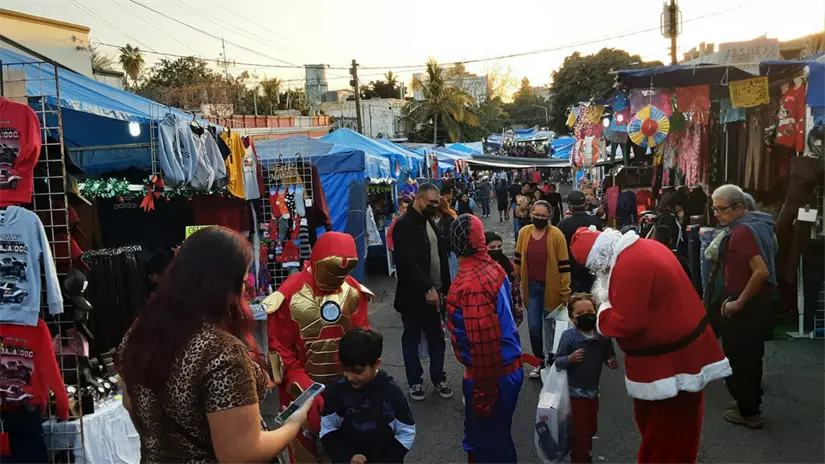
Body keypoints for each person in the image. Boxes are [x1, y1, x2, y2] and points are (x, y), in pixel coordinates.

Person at [118, 227, 309, 463]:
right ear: (223, 286)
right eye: (241, 282)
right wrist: (293, 424)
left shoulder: (139, 333)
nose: (244, 290)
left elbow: (130, 402)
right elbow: (241, 454)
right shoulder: (220, 351)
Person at [569, 227, 731, 464]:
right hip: (679, 352)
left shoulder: (629, 265)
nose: (600, 272)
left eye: (597, 267)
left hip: (669, 361)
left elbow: (627, 322)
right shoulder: (645, 247)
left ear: (600, 257)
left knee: (664, 433)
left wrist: (603, 312)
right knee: (676, 427)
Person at [265, 232, 374, 463]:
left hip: (348, 390)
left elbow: (363, 339)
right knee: (305, 453)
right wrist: (305, 390)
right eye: (333, 270)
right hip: (302, 392)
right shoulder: (288, 294)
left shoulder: (354, 291)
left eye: (345, 272)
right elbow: (279, 351)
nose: (339, 278)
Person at [446, 215, 524, 464]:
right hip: (504, 369)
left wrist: (483, 394)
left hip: (492, 375)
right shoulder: (491, 266)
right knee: (493, 440)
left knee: (492, 448)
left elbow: (484, 346)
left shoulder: (471, 283)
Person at [706, 184, 776, 430]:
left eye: (721, 209)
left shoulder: (742, 231)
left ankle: (749, 411)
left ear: (739, 208)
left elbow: (761, 271)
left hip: (748, 301)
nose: (716, 214)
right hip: (761, 301)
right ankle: (749, 402)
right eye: (714, 208)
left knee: (740, 357)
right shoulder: (763, 224)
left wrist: (738, 302)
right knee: (751, 355)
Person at [392, 183, 454, 401]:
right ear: (418, 198)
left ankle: (439, 377)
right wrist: (426, 288)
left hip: (437, 293)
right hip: (414, 295)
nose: (435, 205)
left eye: (437, 202)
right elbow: (406, 263)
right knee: (412, 337)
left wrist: (444, 287)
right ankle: (415, 381)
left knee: (437, 337)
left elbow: (439, 254)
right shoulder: (404, 225)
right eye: (431, 202)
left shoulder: (429, 221)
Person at [320, 328, 416, 464]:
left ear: (376, 364)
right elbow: (328, 429)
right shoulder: (337, 391)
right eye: (346, 370)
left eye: (358, 371)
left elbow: (406, 432)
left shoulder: (392, 392)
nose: (350, 377)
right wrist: (346, 457)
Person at [554, 293, 618, 464]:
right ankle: (579, 458)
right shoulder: (569, 337)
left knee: (591, 428)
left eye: (590, 312)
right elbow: (557, 361)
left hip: (593, 392)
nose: (586, 317)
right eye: (580, 314)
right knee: (581, 431)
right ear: (571, 318)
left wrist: (610, 360)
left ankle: (583, 452)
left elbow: (608, 353)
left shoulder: (602, 335)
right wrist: (570, 359)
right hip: (574, 394)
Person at [514, 200, 572, 378]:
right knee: (533, 327)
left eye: (542, 215)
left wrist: (565, 292)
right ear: (531, 214)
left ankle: (553, 360)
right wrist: (515, 281)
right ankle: (539, 361)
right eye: (536, 215)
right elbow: (518, 259)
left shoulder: (557, 235)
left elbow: (564, 266)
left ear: (549, 216)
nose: (539, 218)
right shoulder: (524, 232)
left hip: (551, 288)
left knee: (552, 329)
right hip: (531, 287)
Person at [557, 191, 603, 293]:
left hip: (571, 270)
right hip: (591, 269)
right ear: (585, 205)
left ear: (570, 207)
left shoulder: (563, 225)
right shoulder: (595, 221)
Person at [485, 231, 524, 326]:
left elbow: (515, 291)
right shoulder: (481, 270)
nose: (497, 250)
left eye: (499, 247)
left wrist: (517, 316)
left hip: (508, 315)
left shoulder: (508, 266)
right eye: (492, 247)